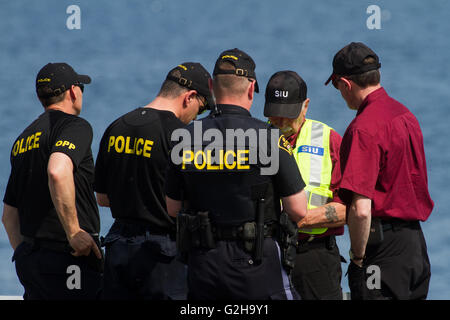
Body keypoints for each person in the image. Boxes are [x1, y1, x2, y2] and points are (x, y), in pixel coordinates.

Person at [165, 48, 308, 300]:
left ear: (211, 86)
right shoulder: (269, 139)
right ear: (251, 88)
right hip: (257, 263)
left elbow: (173, 208)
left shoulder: (185, 137)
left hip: (203, 264)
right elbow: (298, 209)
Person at [94, 62, 213, 299]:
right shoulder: (182, 136)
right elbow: (195, 200)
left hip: (118, 247)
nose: (195, 119)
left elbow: (103, 198)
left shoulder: (116, 126)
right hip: (163, 253)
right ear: (189, 97)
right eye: (200, 110)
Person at [325, 42, 434, 299]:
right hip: (416, 248)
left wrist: (358, 258)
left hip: (382, 251)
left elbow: (362, 211)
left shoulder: (363, 128)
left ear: (345, 84)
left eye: (337, 87)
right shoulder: (406, 116)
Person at [2, 62, 102, 300]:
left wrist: (25, 255)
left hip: (33, 261)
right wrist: (74, 233)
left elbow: (8, 215)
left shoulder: (23, 139)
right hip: (69, 258)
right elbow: (57, 171)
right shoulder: (74, 126)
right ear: (73, 91)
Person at [264, 70, 346, 300]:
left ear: (305, 106)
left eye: (287, 115)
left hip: (315, 257)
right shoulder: (253, 139)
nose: (280, 123)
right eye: (273, 115)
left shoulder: (330, 140)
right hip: (265, 256)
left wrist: (298, 219)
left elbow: (350, 209)